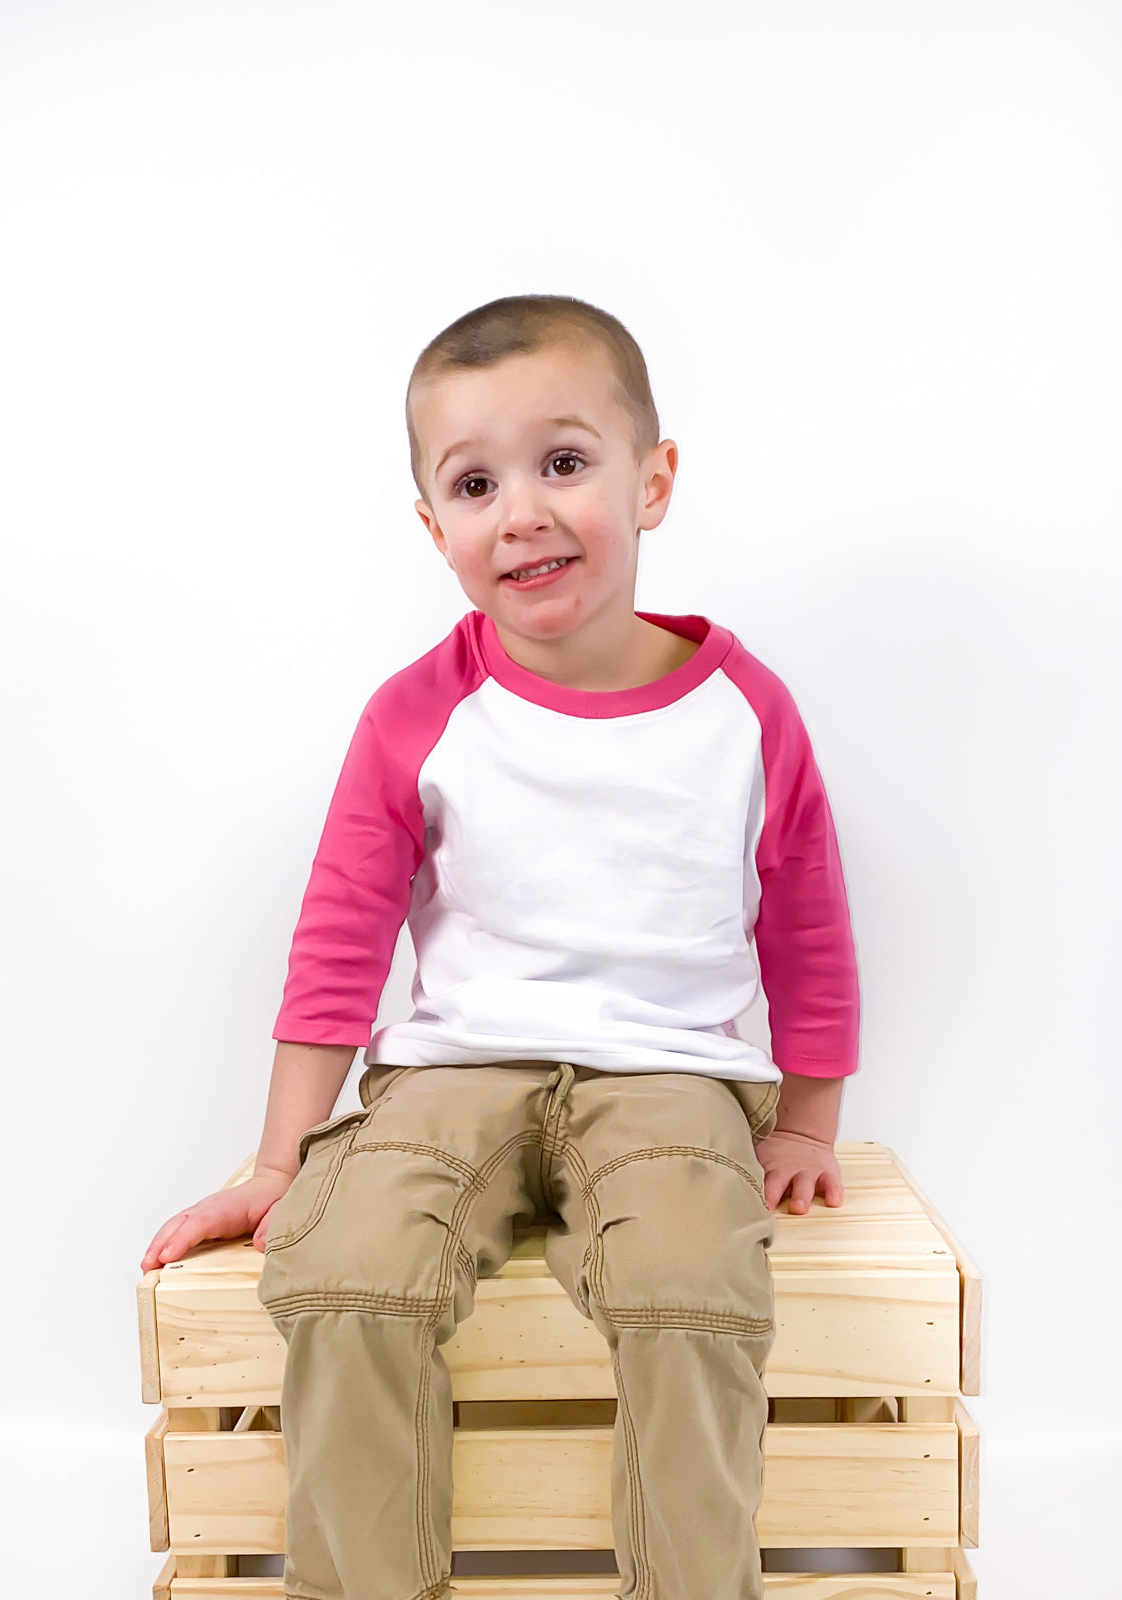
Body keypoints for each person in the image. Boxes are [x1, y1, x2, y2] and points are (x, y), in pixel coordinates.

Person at [140, 293, 861, 1600]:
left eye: (566, 463)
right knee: (348, 1275)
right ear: (435, 528)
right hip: (452, 1074)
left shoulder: (744, 714)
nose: (520, 510)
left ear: (656, 482)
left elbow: (808, 927)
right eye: (475, 483)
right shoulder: (421, 713)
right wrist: (276, 1157)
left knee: (692, 1286)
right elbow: (339, 944)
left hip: (670, 1077)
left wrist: (806, 1121)